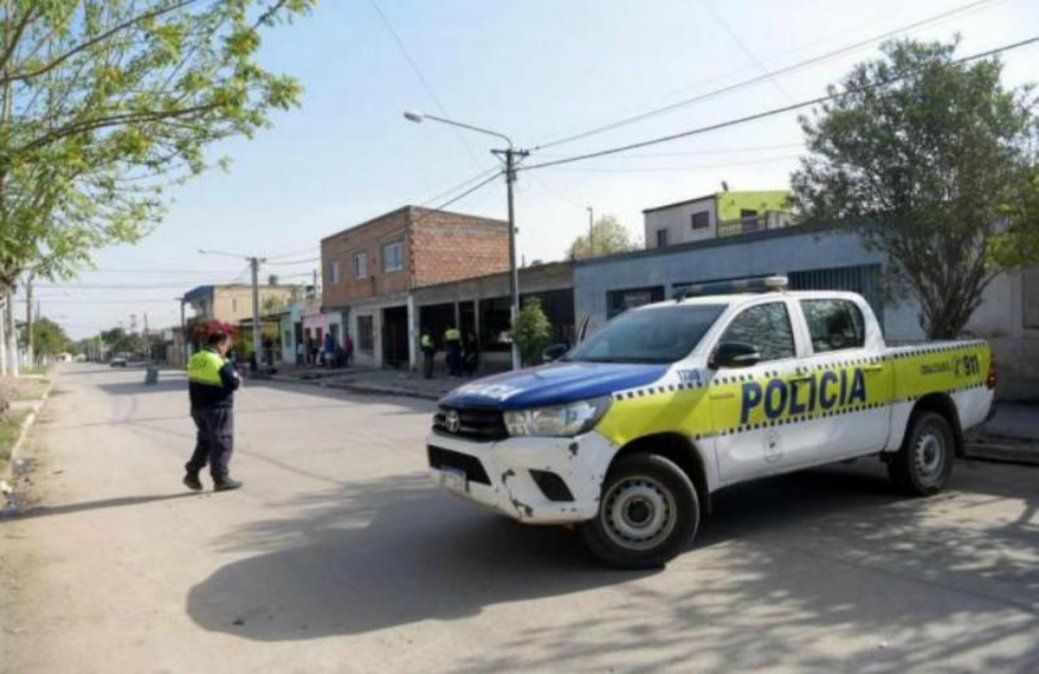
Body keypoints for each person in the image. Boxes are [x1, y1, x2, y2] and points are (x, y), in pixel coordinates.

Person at [184, 331, 242, 492]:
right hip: (217, 408)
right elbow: (234, 383)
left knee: (206, 442)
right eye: (227, 345)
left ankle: (192, 473)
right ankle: (220, 478)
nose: (227, 348)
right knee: (222, 441)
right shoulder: (218, 360)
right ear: (220, 343)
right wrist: (232, 368)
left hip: (198, 408)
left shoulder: (195, 358)